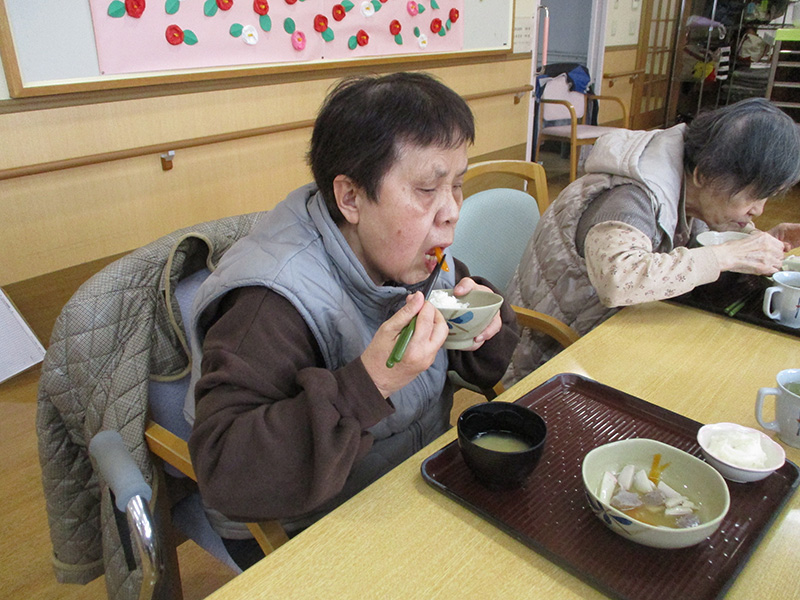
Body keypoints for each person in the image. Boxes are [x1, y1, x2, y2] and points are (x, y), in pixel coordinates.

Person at [184, 72, 520, 567]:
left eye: (458, 185)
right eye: (427, 189)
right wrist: (370, 382)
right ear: (350, 198)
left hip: (416, 481)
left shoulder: (413, 253)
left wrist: (484, 325)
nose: (451, 212)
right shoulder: (269, 302)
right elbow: (226, 471)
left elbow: (482, 367)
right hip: (310, 523)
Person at [505, 97, 800, 384]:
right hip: (550, 354)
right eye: (752, 195)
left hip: (613, 329)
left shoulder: (690, 182)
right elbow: (619, 281)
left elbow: (700, 237)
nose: (758, 210)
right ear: (704, 174)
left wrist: (755, 241)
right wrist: (728, 255)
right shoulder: (630, 199)